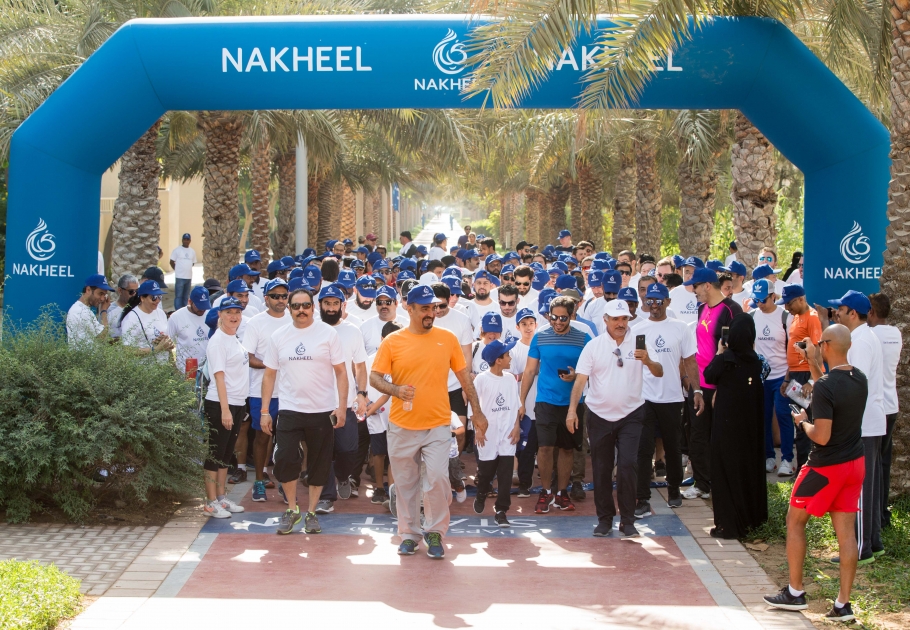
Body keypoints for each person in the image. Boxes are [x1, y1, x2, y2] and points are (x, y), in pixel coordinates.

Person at [370, 284, 487, 559]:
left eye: (433, 308)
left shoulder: (447, 339)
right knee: (405, 484)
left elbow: (464, 377)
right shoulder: (393, 341)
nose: (431, 313)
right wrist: (396, 390)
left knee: (437, 480)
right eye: (424, 308)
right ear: (409, 309)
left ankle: (434, 532)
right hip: (401, 426)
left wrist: (478, 412)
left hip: (437, 424)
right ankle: (409, 535)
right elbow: (374, 377)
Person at [764, 324, 865, 623]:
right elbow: (829, 388)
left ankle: (795, 592)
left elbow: (821, 436)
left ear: (827, 346)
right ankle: (843, 605)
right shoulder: (859, 378)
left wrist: (802, 423)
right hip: (854, 464)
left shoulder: (825, 386)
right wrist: (812, 363)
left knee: (795, 521)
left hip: (824, 467)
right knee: (846, 534)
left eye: (821, 343)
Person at [568, 299, 663, 537]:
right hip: (599, 415)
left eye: (624, 319)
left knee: (628, 465)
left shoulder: (640, 342)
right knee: (602, 469)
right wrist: (572, 411)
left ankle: (628, 521)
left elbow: (659, 372)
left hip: (632, 414)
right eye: (615, 319)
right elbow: (580, 381)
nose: (620, 323)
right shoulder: (594, 346)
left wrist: (648, 360)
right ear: (606, 320)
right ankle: (605, 519)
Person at [260, 288, 349, 536]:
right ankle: (292, 509)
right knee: (285, 459)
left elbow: (341, 372)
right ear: (289, 309)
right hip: (290, 409)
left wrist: (342, 407)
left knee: (319, 464)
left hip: (322, 410)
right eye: (296, 306)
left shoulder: (328, 334)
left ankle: (311, 513)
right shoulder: (279, 336)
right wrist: (265, 411)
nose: (302, 310)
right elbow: (269, 375)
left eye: (306, 305)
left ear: (313, 307)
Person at [826, 290, 885, 565]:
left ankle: (861, 548)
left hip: (862, 424)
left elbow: (854, 385)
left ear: (852, 313)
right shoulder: (865, 337)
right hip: (870, 422)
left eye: (841, 309)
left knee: (859, 488)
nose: (836, 313)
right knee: (870, 485)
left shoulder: (859, 342)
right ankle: (873, 541)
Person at [518, 295, 591, 514]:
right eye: (553, 317)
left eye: (563, 318)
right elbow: (530, 371)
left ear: (572, 316)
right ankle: (546, 491)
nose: (558, 322)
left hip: (573, 405)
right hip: (545, 402)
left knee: (567, 449)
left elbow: (592, 370)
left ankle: (561, 493)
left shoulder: (584, 338)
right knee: (545, 448)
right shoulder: (540, 337)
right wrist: (521, 401)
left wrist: (576, 376)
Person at [633, 282, 698, 514]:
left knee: (673, 447)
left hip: (672, 397)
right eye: (649, 300)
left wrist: (697, 390)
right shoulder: (638, 329)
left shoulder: (681, 328)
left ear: (668, 302)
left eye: (658, 301)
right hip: (645, 398)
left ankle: (674, 490)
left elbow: (690, 361)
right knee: (643, 449)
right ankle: (642, 498)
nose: (654, 305)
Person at [702, 314, 768, 538]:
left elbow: (709, 375)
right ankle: (751, 520)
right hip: (750, 429)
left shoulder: (726, 359)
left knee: (725, 472)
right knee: (748, 470)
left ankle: (728, 524)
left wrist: (720, 353)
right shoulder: (758, 362)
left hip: (727, 429)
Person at [684, 267, 742, 500]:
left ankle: (723, 484)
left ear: (707, 285)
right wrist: (695, 385)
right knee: (697, 435)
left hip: (720, 386)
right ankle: (702, 484)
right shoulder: (701, 308)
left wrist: (723, 387)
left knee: (721, 437)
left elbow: (735, 352)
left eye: (696, 287)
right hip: (699, 384)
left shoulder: (732, 310)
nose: (694, 291)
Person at [315, 285, 369, 509]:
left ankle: (344, 476)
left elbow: (360, 367)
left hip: (345, 402)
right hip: (318, 403)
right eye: (327, 303)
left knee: (348, 450)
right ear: (320, 305)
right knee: (323, 451)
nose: (330, 308)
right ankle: (327, 497)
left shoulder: (353, 331)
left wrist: (362, 394)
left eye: (335, 303)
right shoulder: (311, 329)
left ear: (342, 305)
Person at [238, 279, 291, 501]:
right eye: (275, 296)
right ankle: (259, 480)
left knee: (288, 441)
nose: (280, 300)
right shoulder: (256, 323)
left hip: (290, 392)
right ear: (266, 298)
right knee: (262, 436)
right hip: (261, 392)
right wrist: (272, 366)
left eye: (284, 296)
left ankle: (285, 483)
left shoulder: (296, 320)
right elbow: (248, 357)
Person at [201, 297, 249, 519]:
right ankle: (210, 502)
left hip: (237, 402)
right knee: (215, 453)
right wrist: (225, 409)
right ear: (220, 315)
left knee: (226, 454)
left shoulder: (234, 338)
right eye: (229, 312)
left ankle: (221, 497)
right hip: (221, 403)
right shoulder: (218, 341)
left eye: (237, 312)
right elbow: (219, 377)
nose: (234, 316)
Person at [472, 339, 522, 527]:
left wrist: (516, 426)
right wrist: (478, 429)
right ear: (498, 360)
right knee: (486, 472)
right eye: (507, 355)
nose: (510, 358)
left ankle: (501, 510)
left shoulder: (510, 379)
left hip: (507, 433)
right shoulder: (481, 379)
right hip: (488, 433)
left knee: (506, 473)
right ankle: (481, 493)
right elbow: (474, 407)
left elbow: (515, 405)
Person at [749, 279, 795, 476]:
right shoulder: (751, 316)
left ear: (773, 296)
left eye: (763, 299)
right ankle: (768, 457)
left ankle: (787, 459)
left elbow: (792, 349)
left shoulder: (786, 317)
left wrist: (788, 377)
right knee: (763, 416)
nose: (759, 303)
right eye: (756, 300)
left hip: (782, 375)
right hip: (761, 377)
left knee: (784, 415)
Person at [777, 284, 822, 476]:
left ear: (801, 299)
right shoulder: (794, 317)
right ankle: (801, 467)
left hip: (805, 376)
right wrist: (787, 378)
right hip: (795, 376)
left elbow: (817, 350)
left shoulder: (812, 317)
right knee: (797, 420)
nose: (787, 307)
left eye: (789, 303)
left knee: (805, 422)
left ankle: (806, 470)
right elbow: (793, 349)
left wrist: (811, 381)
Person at [867, 293, 902, 528]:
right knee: (884, 463)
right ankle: (882, 514)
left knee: (872, 464)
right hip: (892, 405)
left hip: (876, 407)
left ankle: (874, 516)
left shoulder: (869, 335)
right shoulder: (896, 333)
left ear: (871, 311)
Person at [430, 282, 474, 451]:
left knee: (460, 432)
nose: (438, 310)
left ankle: (455, 462)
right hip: (432, 386)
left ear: (450, 300)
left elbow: (467, 355)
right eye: (434, 306)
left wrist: (465, 386)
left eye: (442, 305)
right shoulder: (424, 319)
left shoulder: (462, 320)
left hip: (456, 385)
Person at [363, 321, 401, 507]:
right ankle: (379, 488)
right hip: (376, 414)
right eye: (389, 340)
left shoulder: (404, 360)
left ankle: (394, 492)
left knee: (395, 453)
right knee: (378, 452)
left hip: (398, 413)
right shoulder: (370, 360)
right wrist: (367, 404)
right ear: (381, 339)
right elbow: (361, 385)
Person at [119, 280, 174, 362]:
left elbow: (167, 341)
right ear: (142, 298)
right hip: (143, 368)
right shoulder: (131, 319)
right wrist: (156, 349)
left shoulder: (161, 313)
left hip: (163, 366)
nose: (157, 300)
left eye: (159, 296)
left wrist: (166, 341)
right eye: (154, 297)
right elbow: (127, 351)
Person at [167, 286, 211, 376]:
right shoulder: (176, 317)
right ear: (190, 302)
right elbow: (167, 344)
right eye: (199, 306)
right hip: (185, 371)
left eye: (204, 306)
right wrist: (173, 367)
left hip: (208, 370)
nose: (202, 309)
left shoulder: (210, 314)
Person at [66, 274, 113, 345]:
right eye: (100, 293)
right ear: (88, 290)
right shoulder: (80, 311)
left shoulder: (83, 309)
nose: (102, 299)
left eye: (104, 295)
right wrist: (104, 310)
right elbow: (102, 337)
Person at [361, 286, 409, 354]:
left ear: (396, 303)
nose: (384, 306)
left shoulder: (408, 325)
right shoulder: (365, 327)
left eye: (388, 302)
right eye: (380, 302)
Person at [169, 233, 197, 310]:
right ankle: (178, 311)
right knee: (179, 296)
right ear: (182, 240)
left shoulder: (192, 251)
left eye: (188, 239)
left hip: (188, 277)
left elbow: (193, 263)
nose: (186, 241)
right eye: (185, 239)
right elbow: (171, 262)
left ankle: (184, 310)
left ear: (190, 241)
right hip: (180, 277)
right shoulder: (177, 250)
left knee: (186, 296)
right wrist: (177, 269)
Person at [108, 274, 138, 340]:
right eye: (131, 292)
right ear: (120, 291)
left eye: (137, 291)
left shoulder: (140, 309)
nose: (135, 295)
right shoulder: (109, 311)